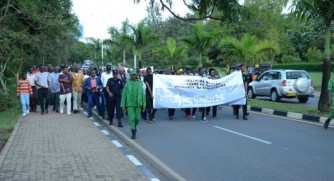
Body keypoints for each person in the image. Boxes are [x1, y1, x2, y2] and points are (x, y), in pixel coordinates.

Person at [121, 70, 146, 139]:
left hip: (138, 104)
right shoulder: (127, 84)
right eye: (132, 75)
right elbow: (124, 95)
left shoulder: (139, 83)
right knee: (131, 119)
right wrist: (123, 105)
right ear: (130, 75)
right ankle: (133, 132)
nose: (134, 76)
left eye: (135, 75)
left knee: (137, 118)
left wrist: (144, 105)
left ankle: (134, 127)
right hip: (130, 105)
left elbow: (142, 95)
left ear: (136, 75)